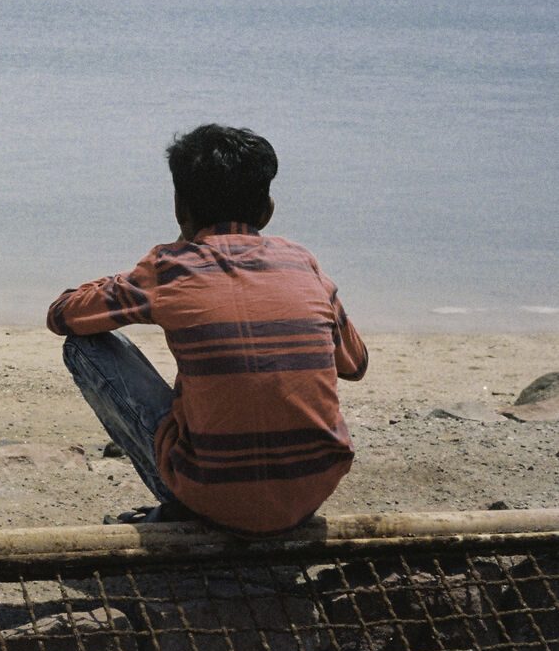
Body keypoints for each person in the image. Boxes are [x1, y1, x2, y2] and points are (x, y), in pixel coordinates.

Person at [47, 124, 368, 538]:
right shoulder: (302, 263)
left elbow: (62, 315)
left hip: (213, 495)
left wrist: (163, 260)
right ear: (267, 210)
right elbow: (356, 365)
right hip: (310, 491)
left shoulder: (171, 268)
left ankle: (189, 504)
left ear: (180, 208)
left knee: (83, 345)